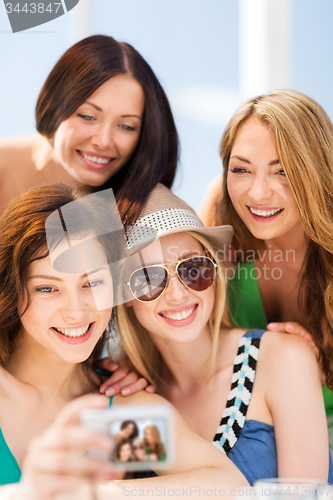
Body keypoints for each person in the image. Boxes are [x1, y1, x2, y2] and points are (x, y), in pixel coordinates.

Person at [0, 184, 247, 497]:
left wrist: (97, 492)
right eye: (47, 288)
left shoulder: (121, 417)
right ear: (12, 290)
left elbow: (228, 484)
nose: (76, 311)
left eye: (93, 283)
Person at [114, 184, 333, 485]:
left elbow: (309, 496)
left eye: (192, 268)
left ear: (215, 270)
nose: (177, 294)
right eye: (149, 278)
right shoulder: (132, 399)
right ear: (125, 295)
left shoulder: (283, 358)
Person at [197, 90, 333, 427]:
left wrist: (314, 366)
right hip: (248, 440)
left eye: (282, 171)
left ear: (316, 171)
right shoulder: (222, 213)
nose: (257, 193)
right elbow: (187, 332)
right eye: (241, 169)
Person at [0, 35, 178, 224]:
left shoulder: (150, 210)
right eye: (87, 117)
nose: (104, 141)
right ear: (54, 106)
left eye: (126, 126)